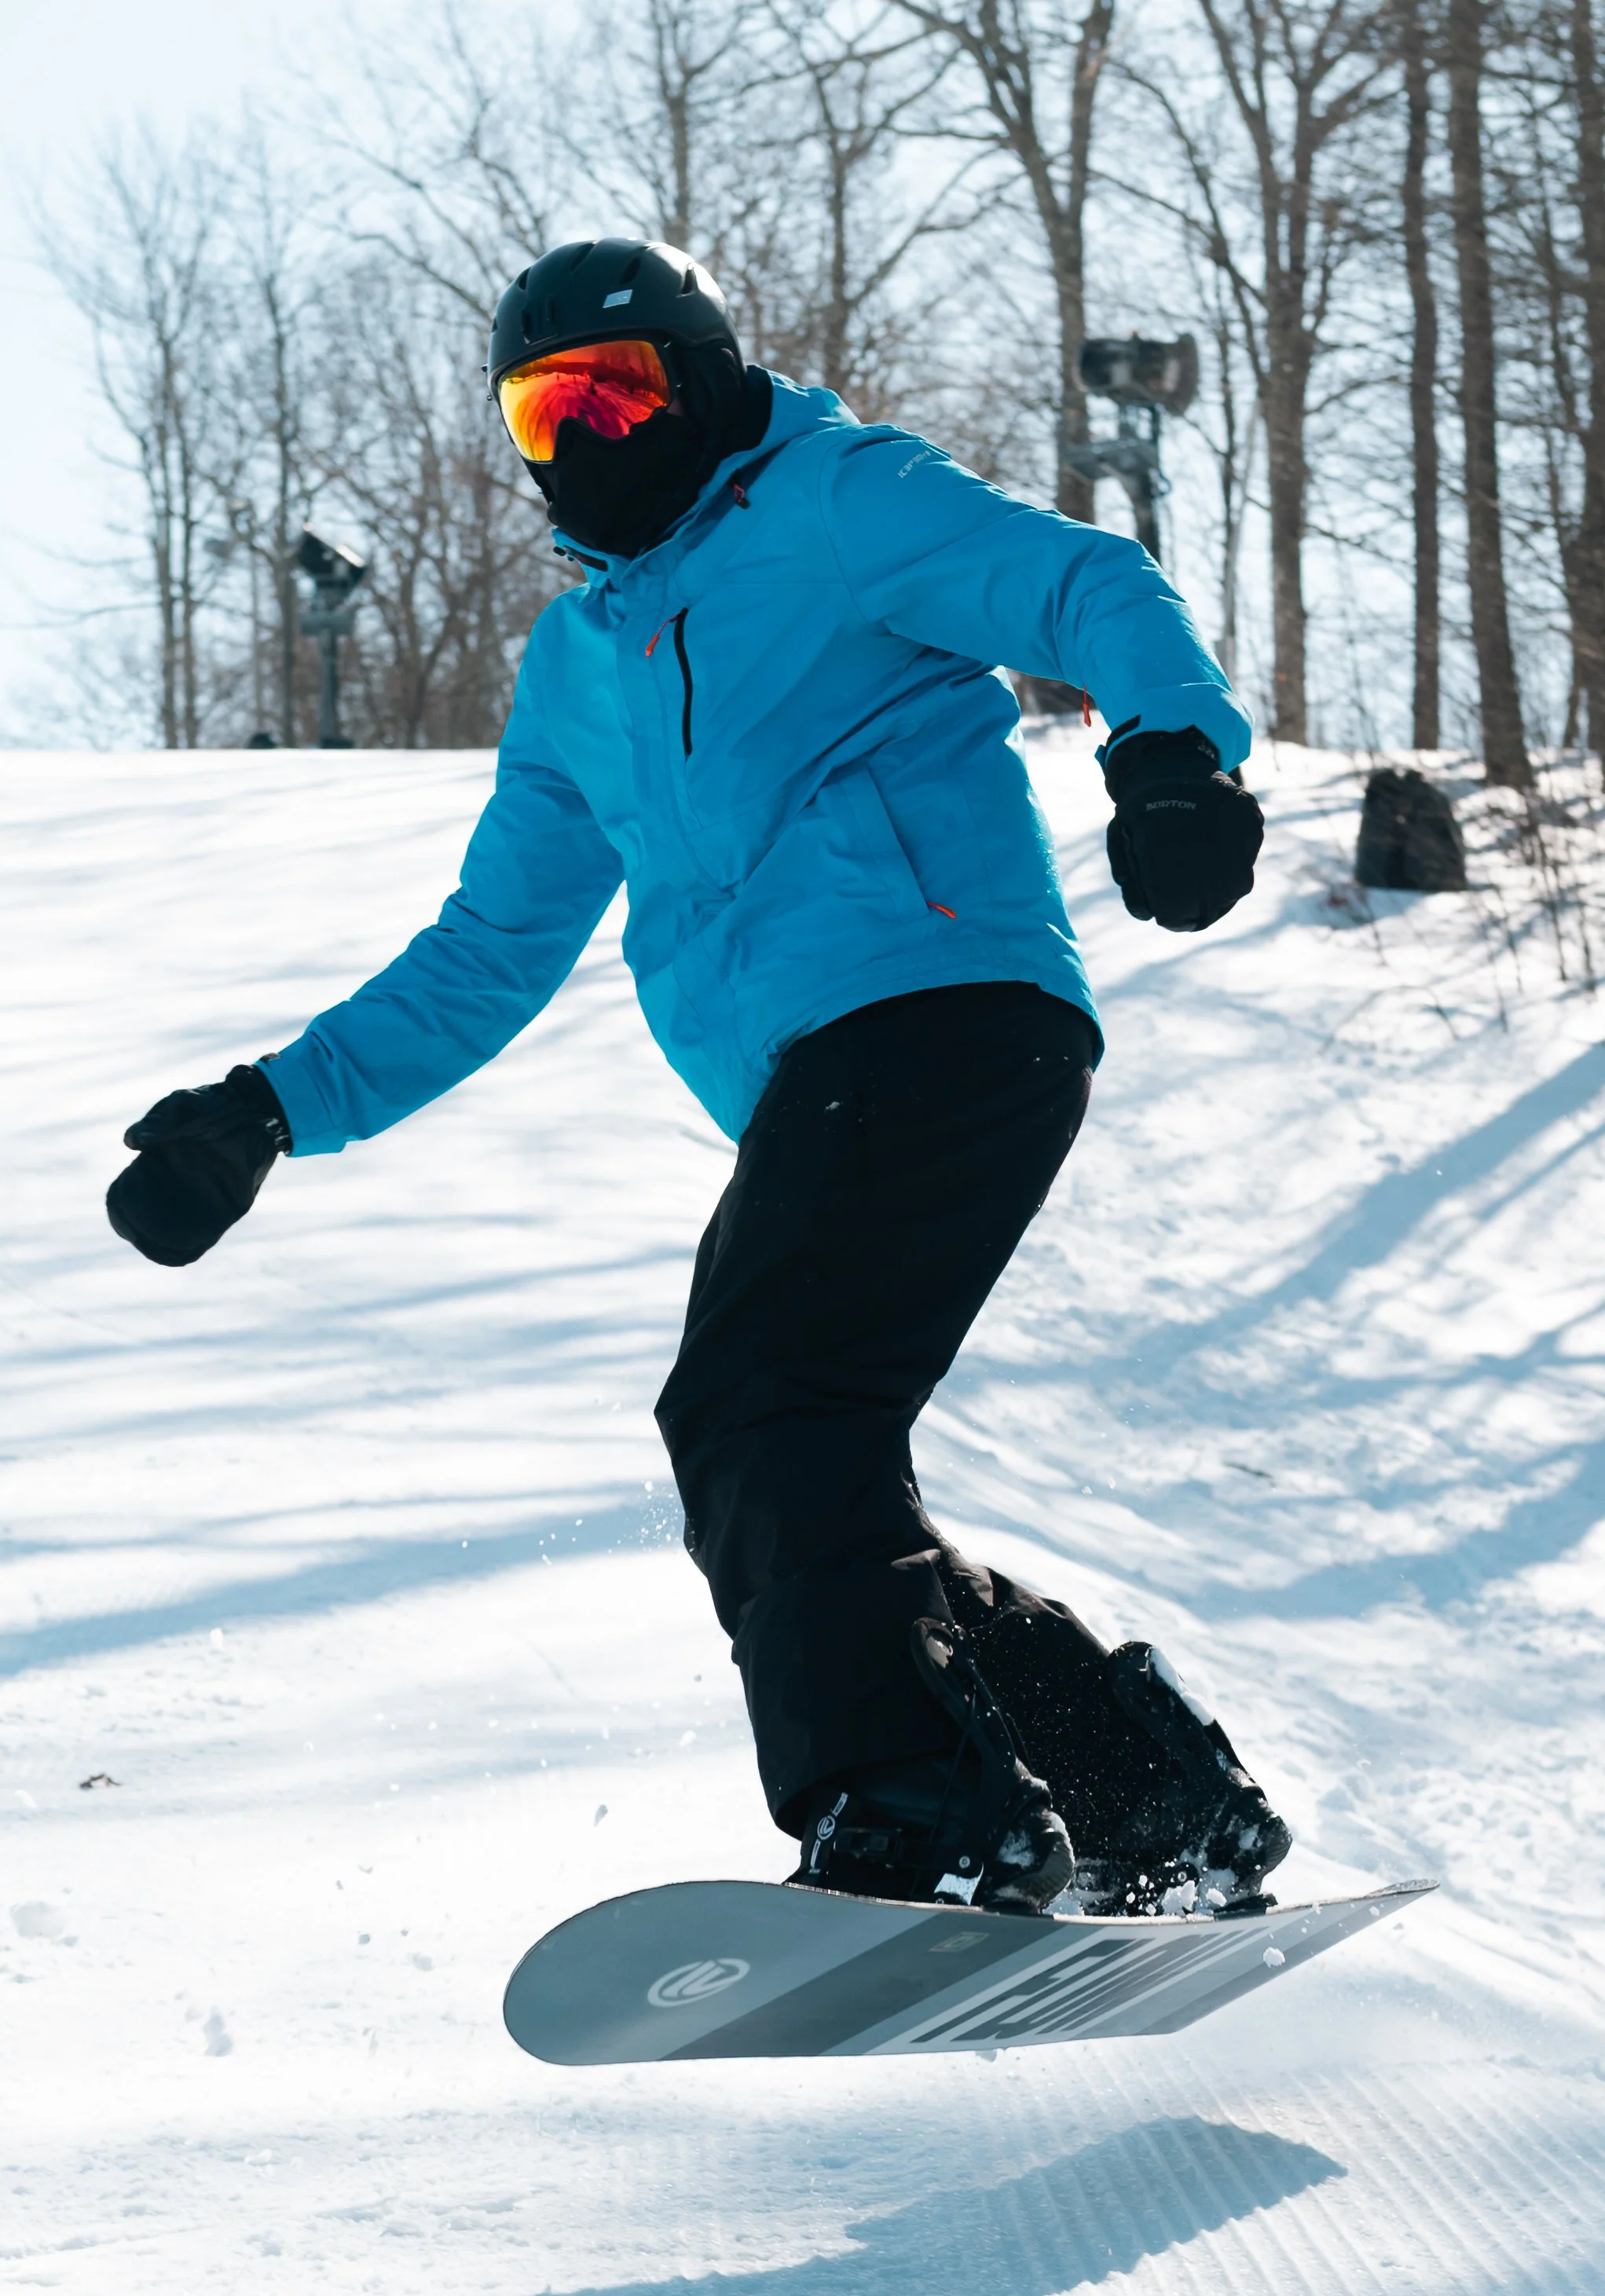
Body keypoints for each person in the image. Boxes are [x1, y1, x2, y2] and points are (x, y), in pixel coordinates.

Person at [107, 238, 1288, 1919]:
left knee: (758, 1410)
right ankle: (1141, 1789)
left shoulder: (831, 501)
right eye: (550, 405)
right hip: (836, 1069)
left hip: (944, 1004)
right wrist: (271, 1109)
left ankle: (919, 1806)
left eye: (626, 388)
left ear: (710, 377)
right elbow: (490, 950)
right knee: (796, 1456)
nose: (593, 433)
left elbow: (1083, 584)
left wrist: (1170, 746)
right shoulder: (575, 667)